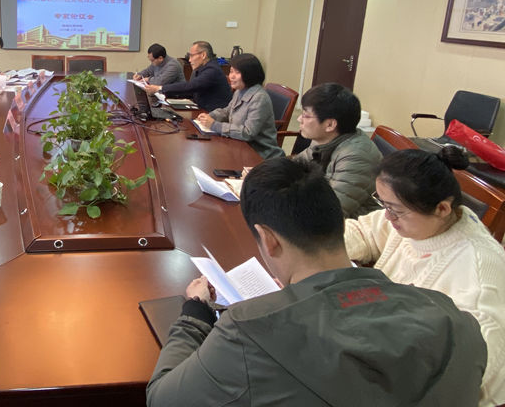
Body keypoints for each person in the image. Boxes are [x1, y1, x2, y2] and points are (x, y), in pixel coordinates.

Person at [147, 157, 487, 407]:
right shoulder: (458, 322)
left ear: (268, 240)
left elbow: (162, 398)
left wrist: (195, 314)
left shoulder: (246, 333)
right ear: (339, 220)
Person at [345, 147, 505, 405]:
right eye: (383, 204)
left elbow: (473, 371)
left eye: (395, 210)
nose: (387, 217)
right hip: (385, 342)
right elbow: (363, 232)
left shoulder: (476, 277)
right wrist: (318, 247)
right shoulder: (419, 220)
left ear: (442, 208)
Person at [292, 83, 381, 218]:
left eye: (306, 115)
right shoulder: (324, 138)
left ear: (330, 125)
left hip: (353, 223)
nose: (299, 119)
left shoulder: (356, 156)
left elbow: (331, 212)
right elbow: (294, 166)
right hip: (321, 206)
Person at [195, 53, 283, 159]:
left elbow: (248, 133)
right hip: (239, 145)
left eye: (237, 72)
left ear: (249, 74)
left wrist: (214, 125)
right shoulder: (240, 90)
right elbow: (227, 111)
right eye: (231, 71)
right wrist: (210, 116)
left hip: (259, 153)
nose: (231, 76)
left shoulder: (259, 98)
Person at [144, 41, 231, 112]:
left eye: (192, 56)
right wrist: (166, 95)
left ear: (203, 55)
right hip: (202, 110)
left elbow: (191, 86)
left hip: (212, 114)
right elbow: (191, 92)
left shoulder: (212, 70)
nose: (189, 60)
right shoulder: (201, 69)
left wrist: (160, 88)